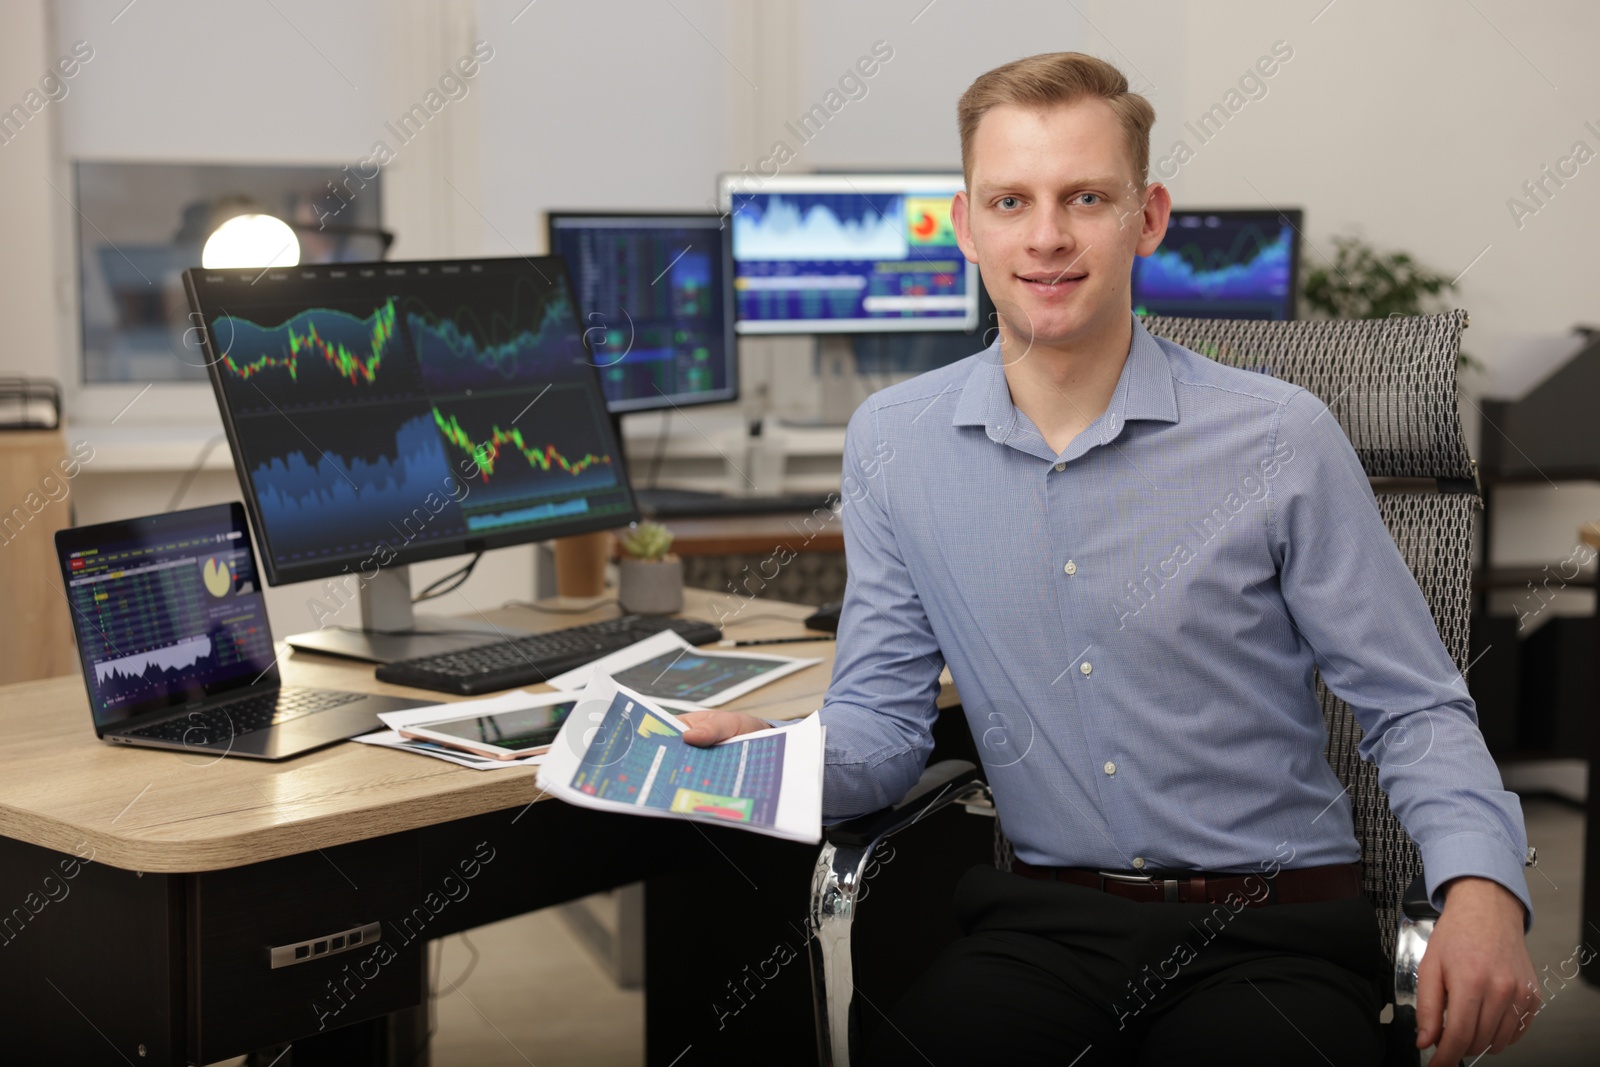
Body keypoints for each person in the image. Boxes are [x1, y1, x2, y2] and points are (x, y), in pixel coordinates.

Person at [680, 51, 1536, 1066]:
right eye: (1010, 200)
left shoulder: (1278, 437)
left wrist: (1482, 888)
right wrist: (769, 759)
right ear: (964, 225)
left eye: (1085, 196)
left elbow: (1412, 705)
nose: (1045, 236)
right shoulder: (892, 444)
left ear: (1148, 215)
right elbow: (880, 725)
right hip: (1044, 926)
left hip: (1270, 929)